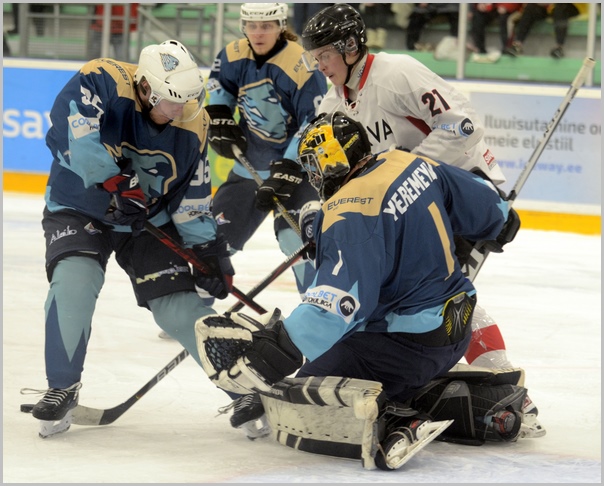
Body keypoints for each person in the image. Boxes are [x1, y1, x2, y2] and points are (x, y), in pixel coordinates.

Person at [195, 111, 521, 469]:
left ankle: (395, 421)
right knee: (384, 368)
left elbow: (337, 305)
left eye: (314, 164)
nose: (312, 175)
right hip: (455, 329)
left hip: (405, 344)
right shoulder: (408, 162)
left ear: (333, 158)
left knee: (304, 394)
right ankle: (471, 402)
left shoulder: (348, 211)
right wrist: (502, 220)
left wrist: (277, 348)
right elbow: (492, 210)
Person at [299, 4, 544, 438]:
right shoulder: (334, 101)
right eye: (314, 57)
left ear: (351, 47)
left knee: (439, 297)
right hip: (407, 206)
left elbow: (462, 125)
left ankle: (513, 397)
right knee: (415, 299)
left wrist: (407, 174)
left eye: (325, 55)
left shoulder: (397, 73)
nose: (319, 65)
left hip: (458, 192)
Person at [26, 40, 237, 439]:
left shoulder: (194, 122)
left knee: (179, 308)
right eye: (171, 102)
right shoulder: (102, 78)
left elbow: (191, 195)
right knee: (74, 281)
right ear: (145, 89)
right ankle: (62, 387)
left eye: (187, 101)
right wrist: (114, 181)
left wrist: (208, 250)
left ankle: (241, 387)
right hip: (79, 206)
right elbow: (70, 134)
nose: (180, 111)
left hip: (146, 221)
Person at [205, 3, 328, 302]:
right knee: (212, 241)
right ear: (243, 26)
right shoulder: (232, 54)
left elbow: (314, 121)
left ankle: (320, 309)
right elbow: (220, 90)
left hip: (298, 174)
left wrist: (290, 164)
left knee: (297, 241)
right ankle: (196, 308)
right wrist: (219, 116)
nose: (258, 33)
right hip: (249, 167)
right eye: (252, 25)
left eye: (267, 26)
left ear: (280, 26)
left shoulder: (302, 63)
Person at [504, 3, 581, 59]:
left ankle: (559, 47)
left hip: (571, 7)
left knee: (560, 7)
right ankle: (517, 45)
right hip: (548, 7)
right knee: (530, 7)